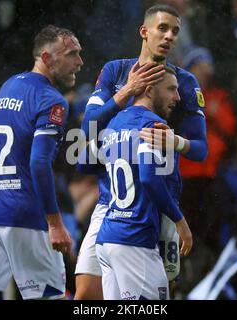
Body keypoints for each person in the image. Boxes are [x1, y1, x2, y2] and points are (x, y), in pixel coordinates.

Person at [75, 4, 208, 300]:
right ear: (144, 32)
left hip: (155, 208)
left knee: (154, 296)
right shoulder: (115, 71)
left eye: (175, 31)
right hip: (112, 202)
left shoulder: (184, 82)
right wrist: (126, 92)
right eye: (162, 28)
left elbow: (200, 150)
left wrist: (176, 142)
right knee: (85, 295)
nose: (169, 36)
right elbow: (88, 129)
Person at [0, 24, 83, 300]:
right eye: (72, 54)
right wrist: (55, 223)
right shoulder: (53, 101)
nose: (79, 62)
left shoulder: (8, 86)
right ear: (46, 57)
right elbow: (39, 163)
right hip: (25, 215)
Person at [95, 67, 192, 300]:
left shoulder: (113, 124)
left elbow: (84, 165)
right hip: (135, 240)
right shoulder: (154, 128)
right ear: (149, 89)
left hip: (108, 238)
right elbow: (149, 177)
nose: (177, 97)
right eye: (171, 89)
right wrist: (180, 221)